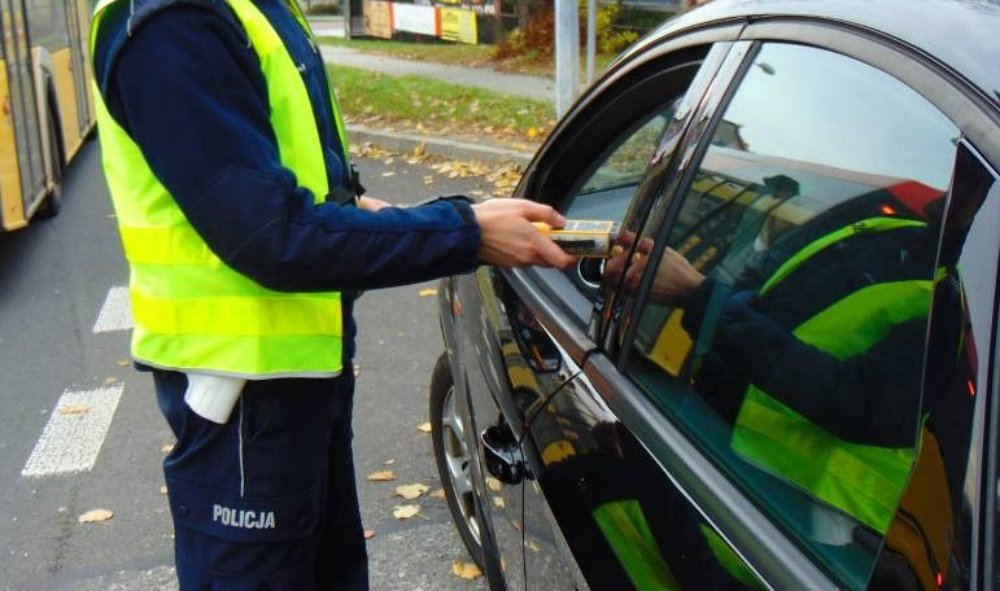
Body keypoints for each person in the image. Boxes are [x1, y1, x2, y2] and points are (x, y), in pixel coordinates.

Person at [88, 0, 575, 587]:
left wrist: (460, 218)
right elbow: (273, 234)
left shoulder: (256, 10)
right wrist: (464, 233)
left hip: (299, 385)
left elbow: (325, 199)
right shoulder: (173, 24)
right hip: (241, 402)